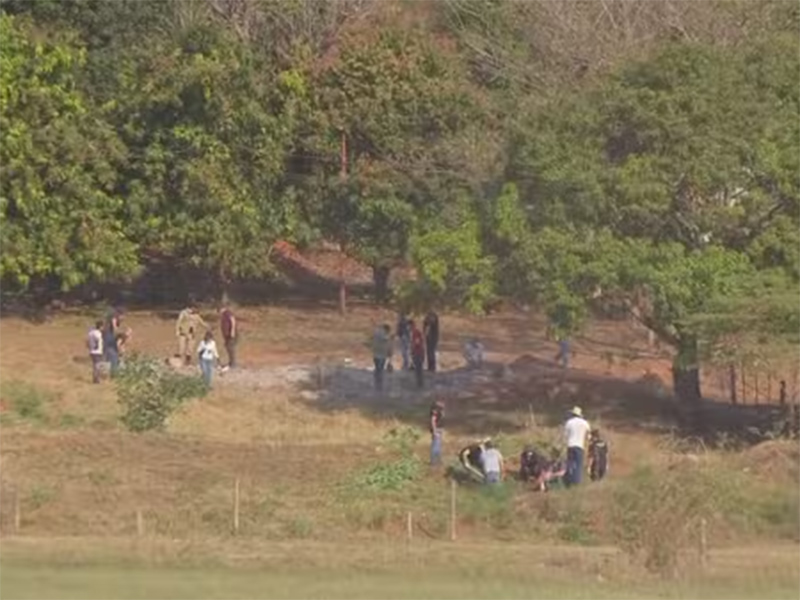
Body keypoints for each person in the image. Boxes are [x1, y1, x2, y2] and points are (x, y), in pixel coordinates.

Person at [563, 406, 591, 487]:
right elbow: (589, 436)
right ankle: (577, 482)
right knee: (579, 465)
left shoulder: (569, 422)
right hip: (580, 446)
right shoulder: (585, 423)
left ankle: (568, 481)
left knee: (570, 463)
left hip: (570, 445)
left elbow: (565, 435)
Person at [371, 323, 393, 391]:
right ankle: (379, 385)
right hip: (381, 355)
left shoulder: (376, 332)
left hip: (376, 355)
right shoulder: (383, 335)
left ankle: (377, 383)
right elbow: (386, 341)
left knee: (378, 369)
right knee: (380, 369)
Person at [102, 308, 122, 378]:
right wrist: (122, 334)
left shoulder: (107, 322)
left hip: (107, 337)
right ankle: (113, 373)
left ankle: (105, 373)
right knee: (113, 355)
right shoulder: (114, 318)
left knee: (106, 356)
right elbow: (115, 329)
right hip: (109, 338)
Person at [219, 305, 238, 369]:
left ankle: (233, 363)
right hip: (227, 335)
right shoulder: (223, 315)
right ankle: (231, 362)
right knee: (228, 347)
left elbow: (233, 320)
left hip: (230, 335)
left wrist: (232, 331)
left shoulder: (227, 313)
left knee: (231, 348)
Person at [410, 319, 425, 389]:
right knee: (418, 370)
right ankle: (419, 384)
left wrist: (412, 350)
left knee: (418, 370)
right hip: (419, 352)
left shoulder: (415, 332)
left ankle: (420, 384)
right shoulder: (415, 332)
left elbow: (417, 343)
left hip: (418, 353)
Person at [429, 399, 445, 466]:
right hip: (436, 431)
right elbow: (432, 422)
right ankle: (434, 461)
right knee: (435, 446)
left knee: (438, 446)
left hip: (439, 430)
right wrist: (434, 431)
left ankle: (437, 460)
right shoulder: (434, 413)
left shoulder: (439, 412)